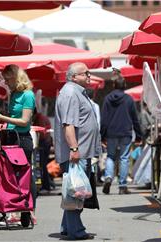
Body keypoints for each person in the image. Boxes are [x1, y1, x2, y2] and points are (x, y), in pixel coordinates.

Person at [54, 62, 101, 240]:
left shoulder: (76, 92)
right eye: (85, 73)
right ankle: (76, 231)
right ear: (74, 77)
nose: (89, 76)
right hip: (76, 153)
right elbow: (69, 125)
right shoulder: (71, 92)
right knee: (76, 193)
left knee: (74, 190)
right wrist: (74, 148)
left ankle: (67, 227)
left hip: (81, 152)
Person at [0, 64, 37, 223]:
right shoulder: (14, 94)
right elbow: (13, 118)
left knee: (23, 176)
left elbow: (24, 121)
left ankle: (27, 208)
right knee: (9, 176)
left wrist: (2, 118)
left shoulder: (28, 95)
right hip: (10, 137)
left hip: (22, 139)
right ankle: (12, 208)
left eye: (8, 79)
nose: (6, 82)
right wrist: (0, 116)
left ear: (16, 78)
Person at [101, 71, 142, 195]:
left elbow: (104, 119)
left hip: (111, 133)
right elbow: (135, 118)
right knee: (124, 158)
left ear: (114, 85)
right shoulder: (128, 99)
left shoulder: (107, 98)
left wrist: (102, 135)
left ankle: (108, 177)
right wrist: (139, 135)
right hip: (125, 132)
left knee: (111, 156)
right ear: (124, 86)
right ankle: (122, 186)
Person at [32, 108, 55, 194]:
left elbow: (41, 134)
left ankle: (47, 185)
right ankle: (48, 183)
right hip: (46, 143)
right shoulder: (41, 118)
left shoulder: (40, 119)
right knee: (43, 165)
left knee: (43, 165)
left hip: (44, 144)